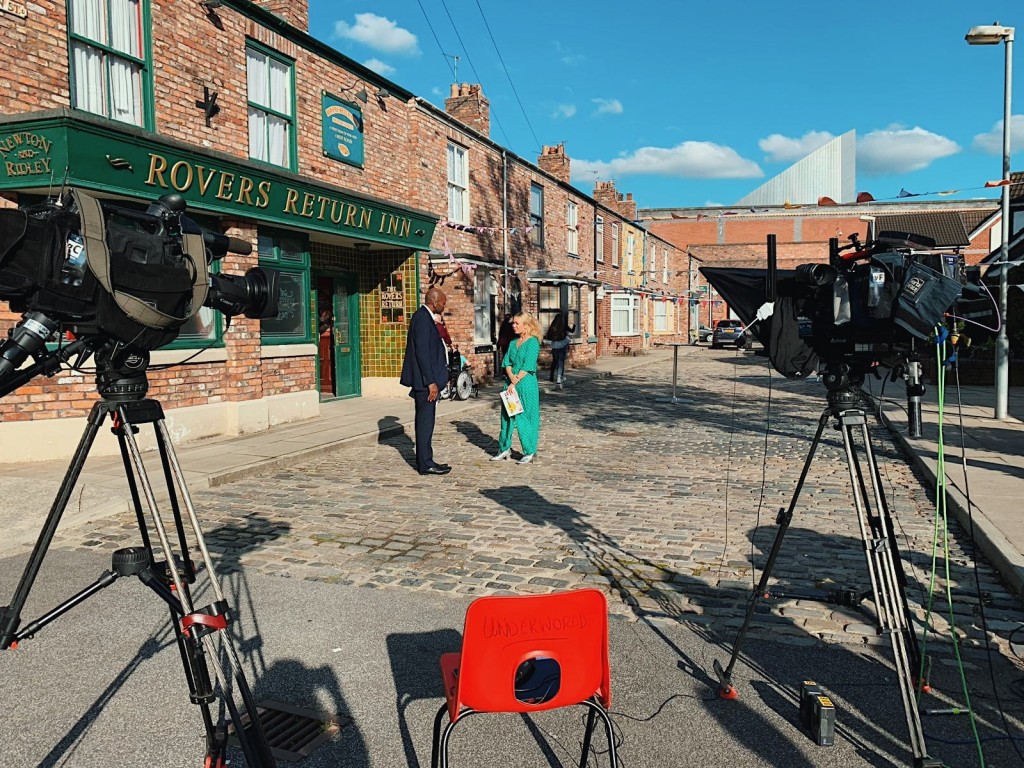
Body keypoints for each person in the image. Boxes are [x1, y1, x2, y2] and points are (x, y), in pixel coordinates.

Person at [400, 287, 451, 476]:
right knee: (425, 423)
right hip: (425, 384)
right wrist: (431, 382)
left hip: (427, 381)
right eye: (443, 303)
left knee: (427, 423)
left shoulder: (426, 317)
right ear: (434, 301)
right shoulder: (422, 318)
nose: (444, 306)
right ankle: (425, 463)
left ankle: (427, 460)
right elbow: (422, 353)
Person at [491, 312, 541, 464]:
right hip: (511, 383)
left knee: (525, 418)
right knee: (507, 417)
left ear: (526, 325)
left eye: (517, 323)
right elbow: (506, 362)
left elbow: (528, 365)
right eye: (513, 323)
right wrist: (510, 378)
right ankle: (504, 448)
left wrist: (515, 381)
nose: (513, 325)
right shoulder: (513, 343)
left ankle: (529, 450)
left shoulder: (533, 342)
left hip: (526, 385)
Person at [544, 313, 574, 387]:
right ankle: (559, 377)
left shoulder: (552, 327)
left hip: (555, 345)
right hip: (562, 344)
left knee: (555, 361)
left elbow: (548, 336)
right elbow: (572, 331)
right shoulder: (563, 326)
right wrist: (574, 325)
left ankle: (551, 376)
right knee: (561, 361)